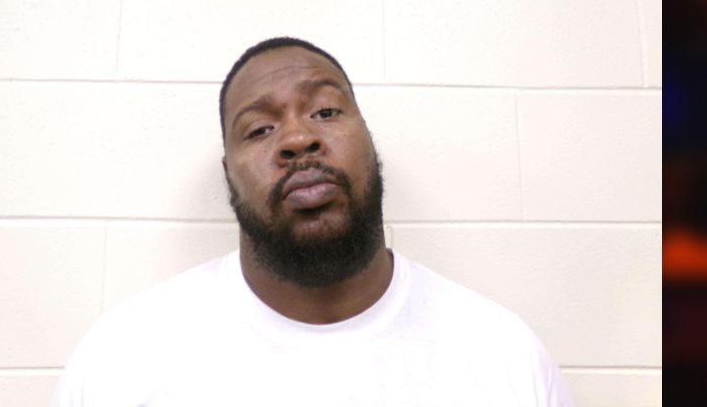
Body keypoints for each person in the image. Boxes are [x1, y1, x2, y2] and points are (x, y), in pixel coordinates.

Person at [52, 37, 575, 406]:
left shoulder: (502, 354)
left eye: (325, 111)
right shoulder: (123, 359)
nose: (299, 139)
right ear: (229, 175)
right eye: (259, 129)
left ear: (369, 142)